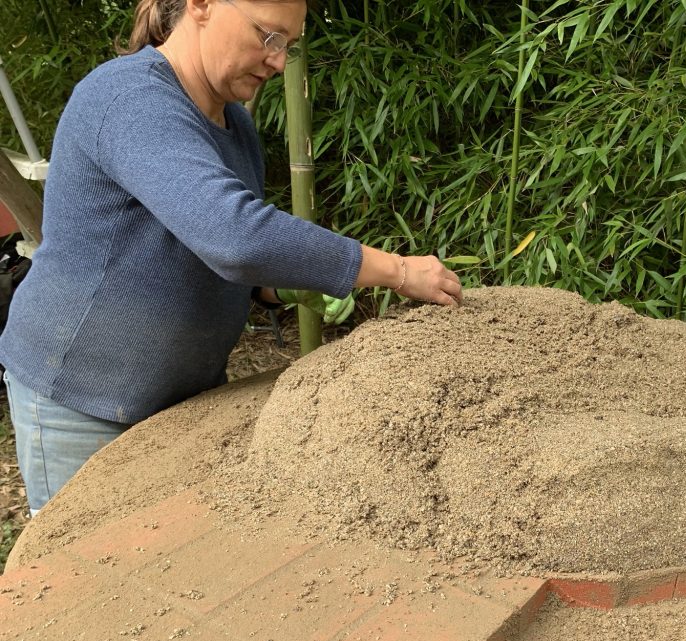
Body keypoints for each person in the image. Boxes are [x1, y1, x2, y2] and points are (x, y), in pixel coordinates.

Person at [0, 0, 463, 518]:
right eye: (268, 36)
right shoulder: (128, 97)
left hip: (185, 398)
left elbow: (211, 253)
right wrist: (396, 271)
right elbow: (235, 237)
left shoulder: (235, 125)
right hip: (82, 395)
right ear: (200, 5)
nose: (278, 60)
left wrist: (282, 287)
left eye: (289, 44)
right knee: (90, 575)